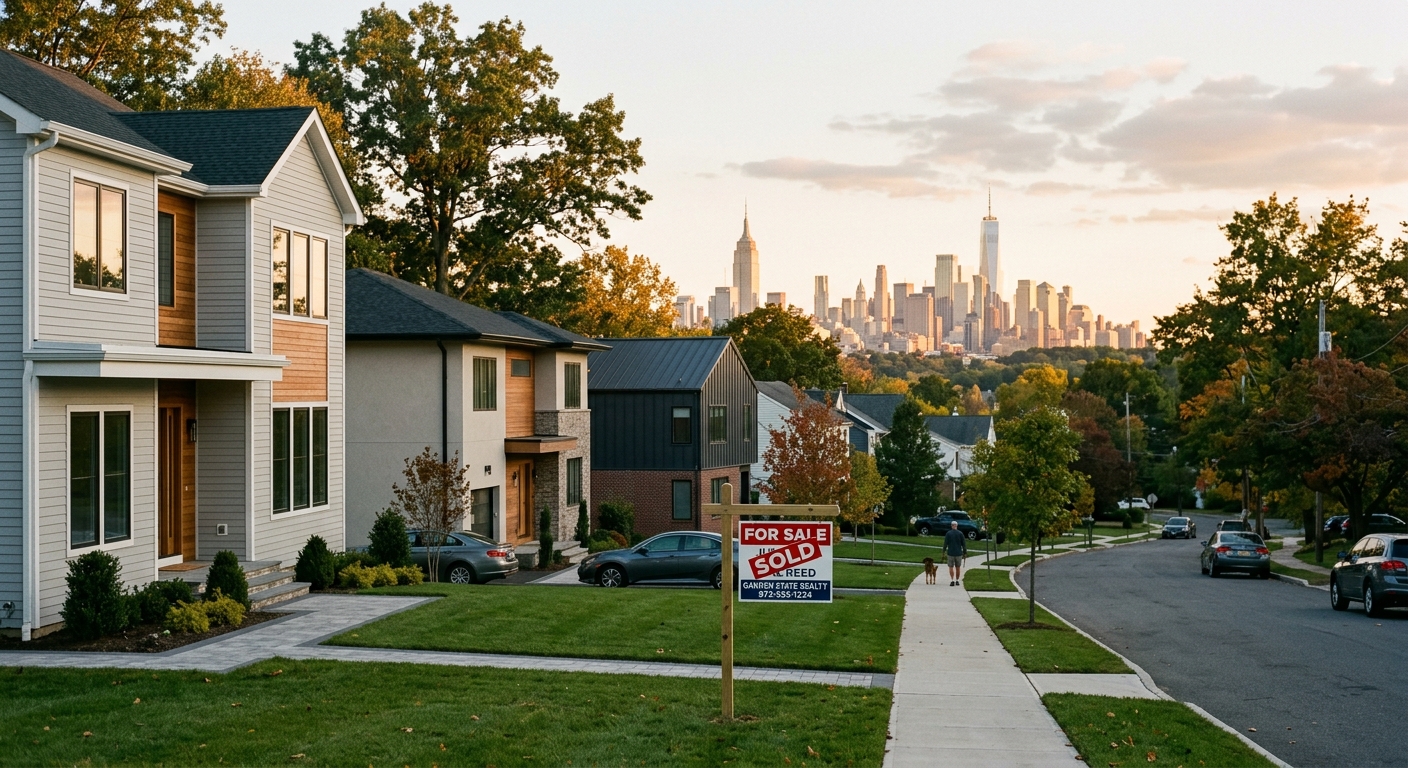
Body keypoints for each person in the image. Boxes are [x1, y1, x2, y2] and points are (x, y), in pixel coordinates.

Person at [943, 520, 967, 586]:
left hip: (950, 553)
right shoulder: (960, 533)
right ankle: (957, 580)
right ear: (957, 526)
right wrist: (965, 552)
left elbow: (945, 543)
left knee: (951, 567)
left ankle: (952, 580)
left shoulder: (948, 533)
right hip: (958, 553)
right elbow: (964, 544)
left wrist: (943, 551)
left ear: (951, 526)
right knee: (958, 567)